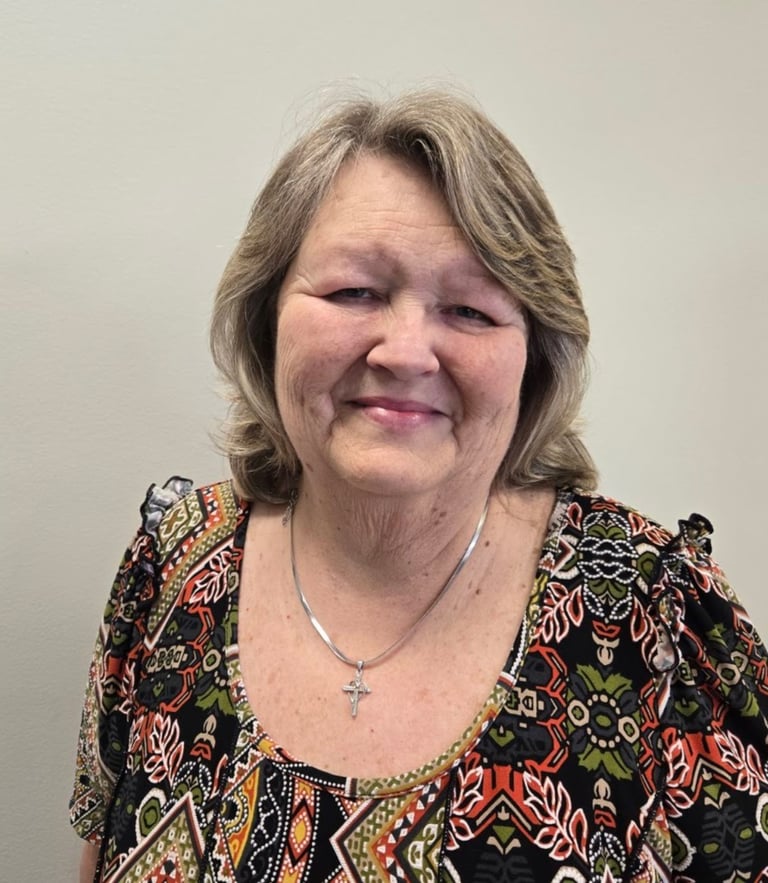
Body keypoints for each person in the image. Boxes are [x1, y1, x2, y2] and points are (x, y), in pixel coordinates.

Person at [71, 89, 768, 882]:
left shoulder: (661, 618)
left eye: (469, 309)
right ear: (266, 319)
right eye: (354, 291)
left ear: (533, 358)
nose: (405, 352)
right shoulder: (171, 564)